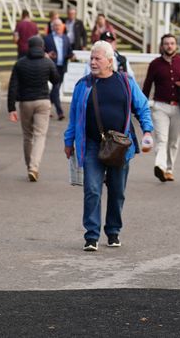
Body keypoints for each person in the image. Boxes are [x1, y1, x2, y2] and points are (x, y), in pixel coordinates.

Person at [64, 41, 153, 251]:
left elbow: (142, 107)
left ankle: (113, 231)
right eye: (91, 58)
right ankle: (91, 236)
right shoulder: (83, 85)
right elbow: (74, 117)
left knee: (117, 191)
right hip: (92, 145)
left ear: (110, 61)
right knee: (92, 190)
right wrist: (68, 141)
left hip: (120, 146)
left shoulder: (126, 82)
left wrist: (148, 130)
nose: (93, 62)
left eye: (97, 58)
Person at [142, 34, 180, 182]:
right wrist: (141, 106)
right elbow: (147, 85)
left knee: (173, 141)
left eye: (172, 43)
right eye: (166, 43)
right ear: (162, 46)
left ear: (176, 45)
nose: (169, 46)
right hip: (160, 107)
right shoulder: (155, 64)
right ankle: (160, 166)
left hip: (179, 107)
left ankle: (169, 169)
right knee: (162, 139)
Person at [8, 35, 59, 181]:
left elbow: (13, 86)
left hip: (25, 102)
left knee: (27, 136)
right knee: (40, 135)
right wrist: (49, 62)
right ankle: (34, 167)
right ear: (42, 47)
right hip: (43, 101)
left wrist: (11, 108)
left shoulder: (20, 63)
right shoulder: (47, 62)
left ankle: (29, 165)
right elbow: (56, 79)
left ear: (28, 47)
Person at [44, 18, 73, 120]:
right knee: (56, 88)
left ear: (62, 26)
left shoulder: (66, 38)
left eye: (59, 25)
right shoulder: (47, 38)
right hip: (52, 66)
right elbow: (42, 51)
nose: (57, 27)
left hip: (62, 67)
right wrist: (47, 54)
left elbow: (69, 51)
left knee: (55, 89)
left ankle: (46, 109)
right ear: (52, 27)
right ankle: (60, 112)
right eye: (55, 25)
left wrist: (71, 56)